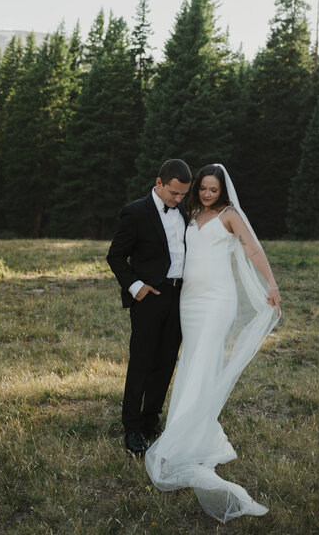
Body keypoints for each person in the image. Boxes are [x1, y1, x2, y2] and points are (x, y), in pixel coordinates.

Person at [145, 163, 281, 524]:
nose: (207, 194)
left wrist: (271, 284)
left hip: (218, 300)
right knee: (191, 360)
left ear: (223, 190)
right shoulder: (189, 212)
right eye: (202, 189)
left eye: (212, 190)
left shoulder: (230, 215)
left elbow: (252, 250)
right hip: (189, 299)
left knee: (205, 358)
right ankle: (188, 426)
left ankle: (191, 435)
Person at [107, 159, 192, 455]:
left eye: (183, 195)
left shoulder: (183, 209)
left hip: (179, 297)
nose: (179, 199)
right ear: (159, 183)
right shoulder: (135, 212)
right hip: (150, 297)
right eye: (174, 194)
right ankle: (131, 429)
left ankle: (150, 420)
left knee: (166, 361)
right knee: (142, 362)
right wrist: (136, 287)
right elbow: (115, 256)